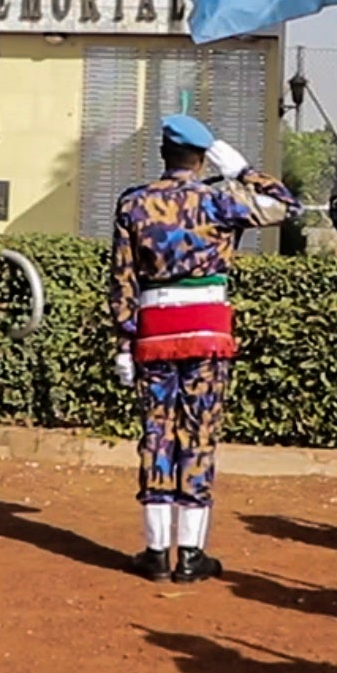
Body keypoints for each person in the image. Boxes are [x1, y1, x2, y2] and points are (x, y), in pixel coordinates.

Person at [105, 113, 297, 584]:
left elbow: (122, 279)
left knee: (158, 434)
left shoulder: (134, 203)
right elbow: (286, 206)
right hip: (208, 332)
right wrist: (239, 168)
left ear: (162, 154)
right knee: (198, 434)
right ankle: (191, 554)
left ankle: (155, 552)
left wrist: (123, 342)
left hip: (153, 332)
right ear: (200, 156)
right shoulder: (221, 199)